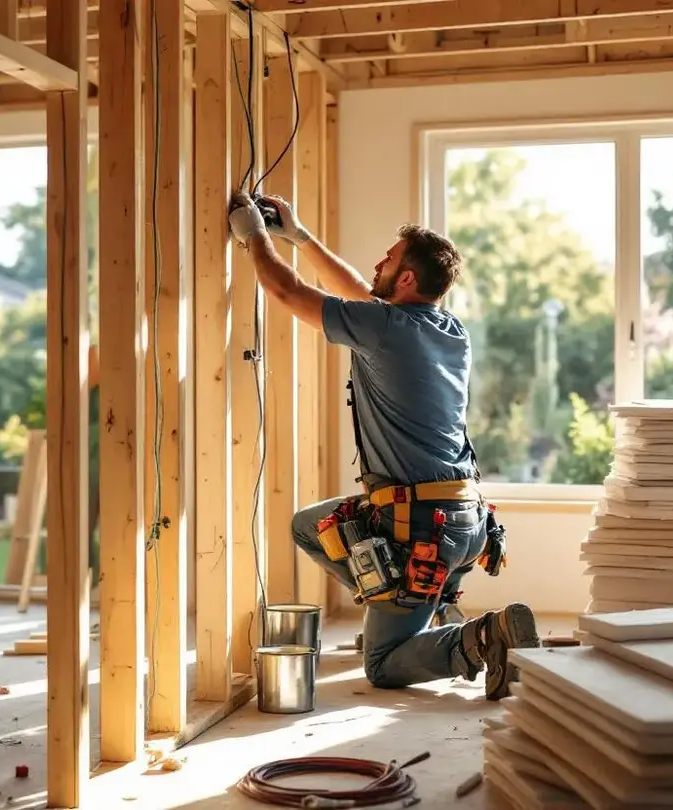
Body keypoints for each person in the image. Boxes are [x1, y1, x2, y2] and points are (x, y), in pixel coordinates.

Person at [226, 191, 540, 701]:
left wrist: (254, 236)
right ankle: (420, 605)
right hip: (468, 521)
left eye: (389, 259)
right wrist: (300, 236)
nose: (378, 263)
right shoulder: (448, 329)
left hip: (422, 530)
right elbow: (357, 291)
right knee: (312, 526)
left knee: (382, 665)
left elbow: (286, 292)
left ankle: (480, 638)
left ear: (409, 278)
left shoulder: (384, 328)